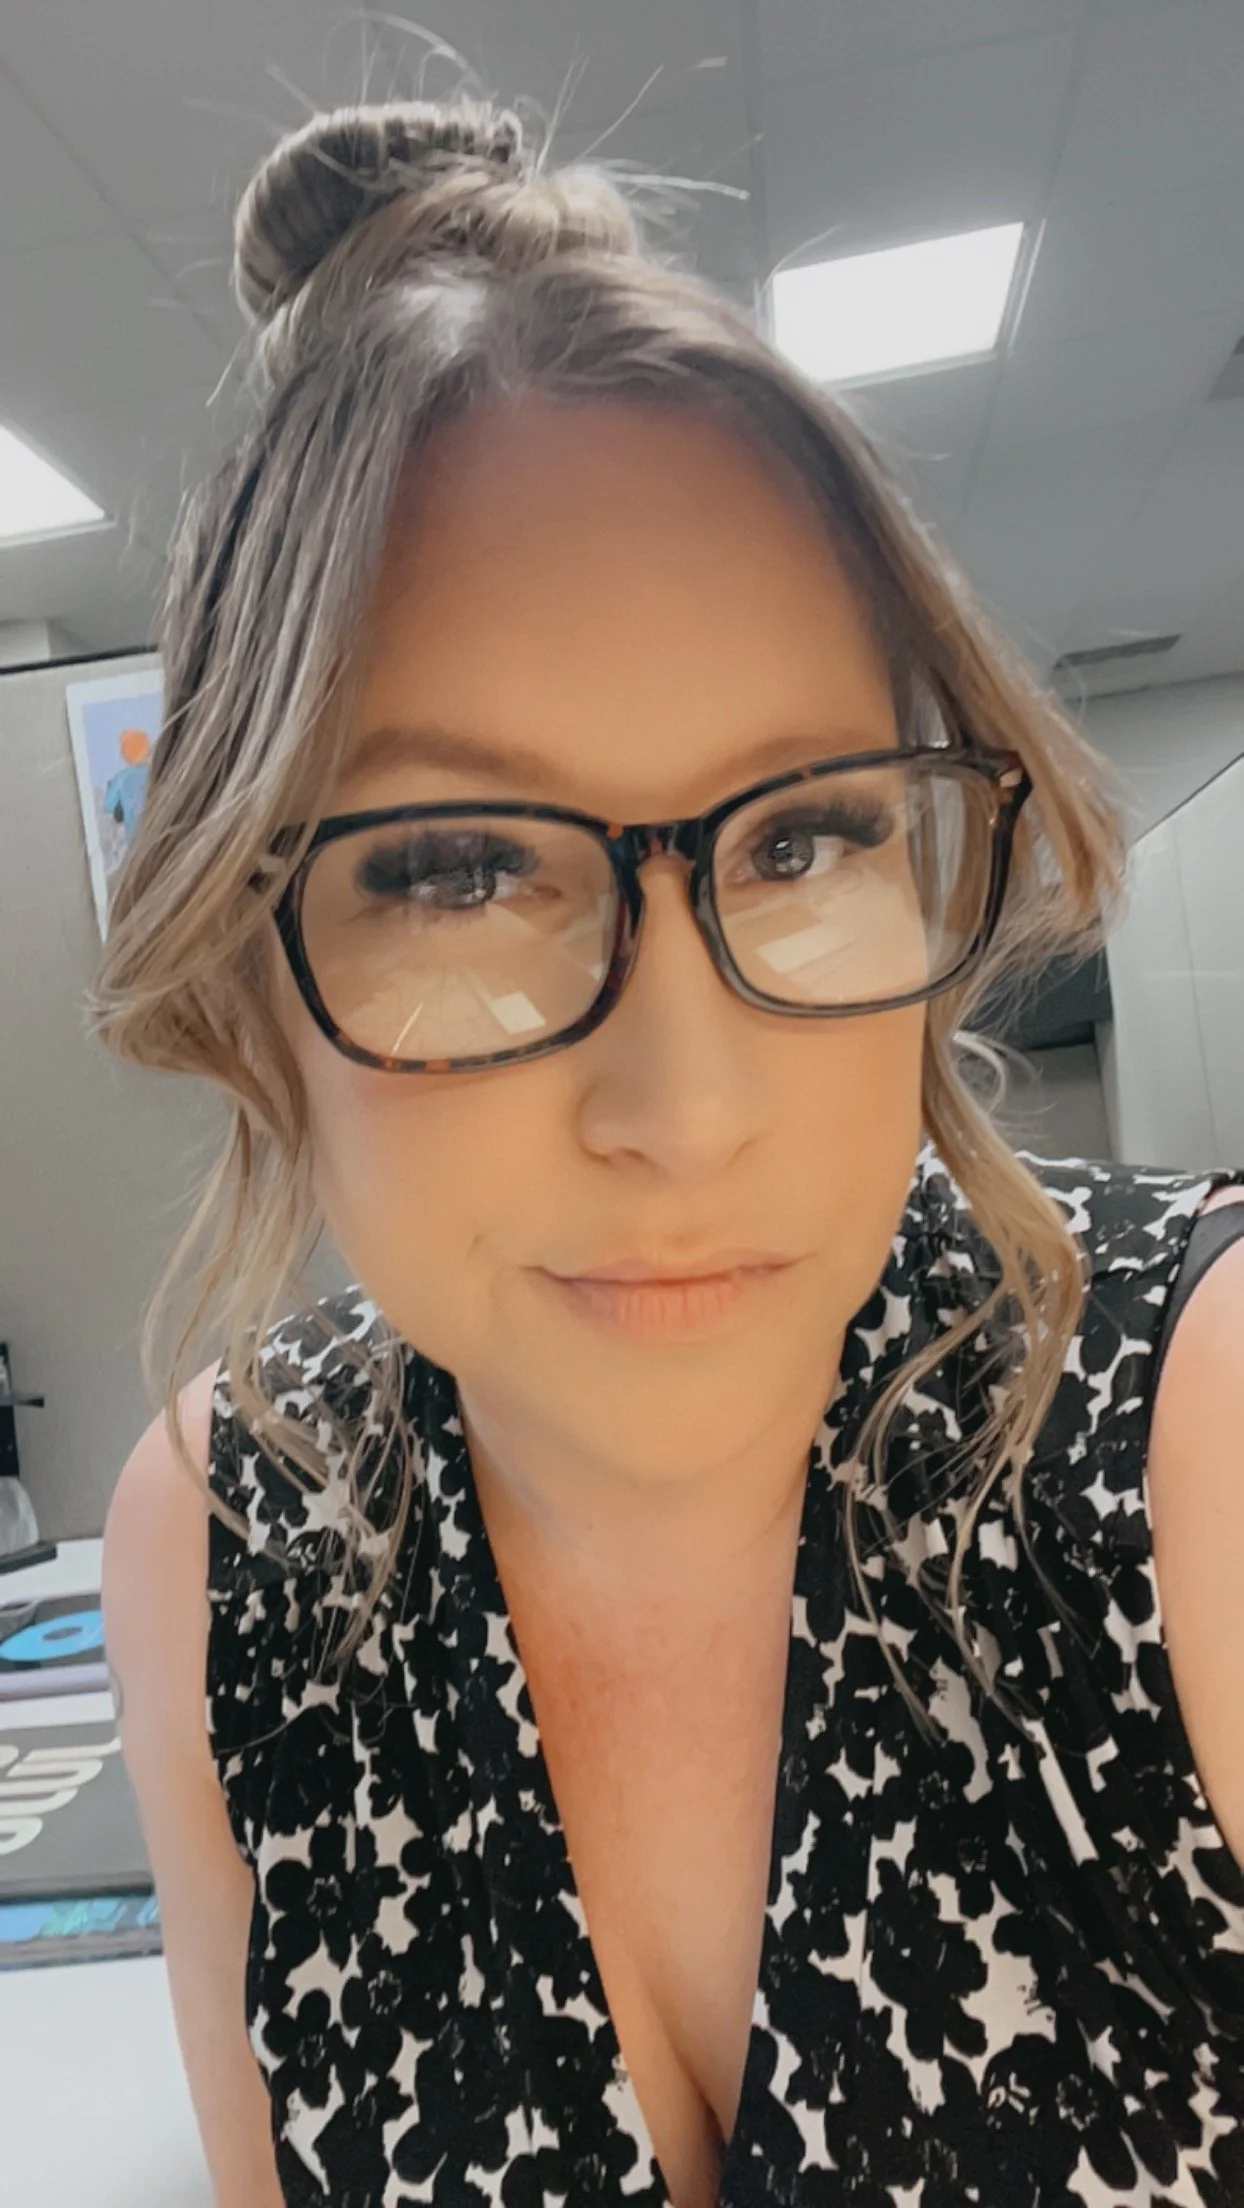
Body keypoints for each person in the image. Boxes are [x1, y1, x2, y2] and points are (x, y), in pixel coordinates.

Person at [95, 95, 1244, 2208]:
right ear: (247, 956)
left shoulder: (1197, 1435)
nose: (688, 1109)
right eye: (457, 870)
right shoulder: (221, 1548)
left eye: (803, 837)